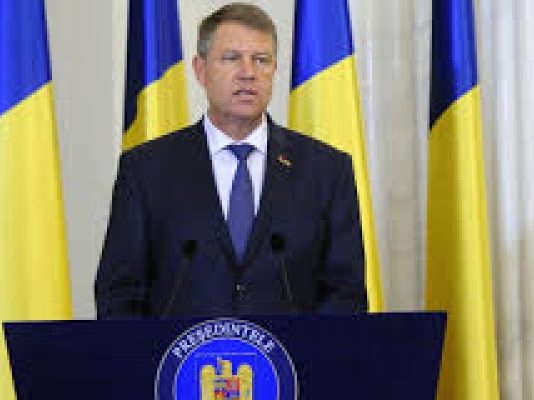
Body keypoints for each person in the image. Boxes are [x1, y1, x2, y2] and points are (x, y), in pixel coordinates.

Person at [95, 2, 367, 318]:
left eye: (261, 60)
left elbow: (346, 293)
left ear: (274, 70)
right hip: (179, 351)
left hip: (293, 351)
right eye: (231, 58)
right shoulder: (146, 169)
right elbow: (119, 293)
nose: (248, 73)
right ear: (200, 70)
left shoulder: (327, 170)